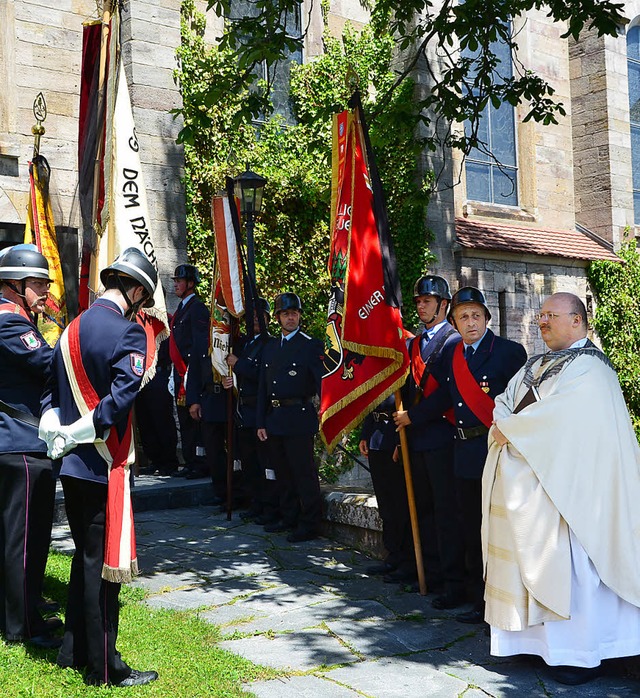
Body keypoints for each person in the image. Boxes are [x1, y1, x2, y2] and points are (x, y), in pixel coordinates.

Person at [483, 292, 640, 685]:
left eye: (552, 315)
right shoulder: (535, 362)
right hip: (533, 479)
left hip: (573, 492)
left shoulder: (592, 369)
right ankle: (536, 646)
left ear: (578, 320)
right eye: (540, 315)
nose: (543, 322)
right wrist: (506, 421)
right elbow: (505, 400)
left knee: (573, 570)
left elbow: (563, 420)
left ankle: (579, 654)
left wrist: (513, 430)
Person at [40, 247, 158, 687]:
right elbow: (120, 400)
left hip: (71, 466)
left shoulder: (69, 328)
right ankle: (105, 667)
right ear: (134, 290)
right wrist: (84, 430)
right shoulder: (128, 334)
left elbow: (48, 392)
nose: (142, 307)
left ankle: (73, 650)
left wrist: (57, 426)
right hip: (104, 465)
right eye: (143, 299)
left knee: (83, 559)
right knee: (103, 566)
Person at [392, 275, 466, 607]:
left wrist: (413, 418)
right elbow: (409, 392)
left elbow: (449, 394)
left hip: (442, 437)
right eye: (418, 301)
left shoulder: (453, 342)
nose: (421, 306)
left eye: (427, 301)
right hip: (416, 438)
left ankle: (454, 582)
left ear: (443, 304)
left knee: (446, 513)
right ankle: (430, 573)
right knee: (422, 511)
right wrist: (403, 433)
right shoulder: (414, 343)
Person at [0, 244, 60, 649]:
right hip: (19, 442)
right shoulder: (8, 322)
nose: (44, 292)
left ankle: (24, 610)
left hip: (22, 441)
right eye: (38, 283)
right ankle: (21, 626)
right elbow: (48, 364)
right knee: (22, 538)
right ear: (15, 285)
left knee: (28, 535)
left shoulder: (18, 316)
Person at [256, 292, 325, 542]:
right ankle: (289, 517)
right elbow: (263, 387)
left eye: (294, 313)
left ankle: (310, 523)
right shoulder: (271, 347)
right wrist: (261, 421)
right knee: (283, 473)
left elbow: (321, 384)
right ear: (277, 318)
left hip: (299, 417)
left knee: (303, 473)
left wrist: (327, 411)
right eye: (286, 314)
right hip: (275, 418)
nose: (291, 318)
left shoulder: (310, 345)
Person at [225, 298, 278, 523]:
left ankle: (270, 507)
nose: (256, 321)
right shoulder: (246, 344)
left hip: (260, 410)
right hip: (244, 410)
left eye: (260, 317)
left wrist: (238, 364)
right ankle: (255, 503)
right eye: (252, 317)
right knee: (249, 463)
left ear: (268, 319)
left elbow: (260, 374)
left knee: (265, 463)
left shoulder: (270, 344)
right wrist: (232, 379)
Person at [359, 394, 410, 577]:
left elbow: (409, 401)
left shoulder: (402, 367)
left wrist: (400, 441)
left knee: (401, 505)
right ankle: (393, 555)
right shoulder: (377, 368)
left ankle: (407, 560)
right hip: (377, 436)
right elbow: (370, 403)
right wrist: (365, 434)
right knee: (386, 505)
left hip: (396, 436)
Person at [169, 263, 209, 478]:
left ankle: (200, 462)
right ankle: (190, 461)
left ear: (191, 284)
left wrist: (192, 375)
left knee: (195, 418)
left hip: (191, 372)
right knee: (184, 419)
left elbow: (199, 346)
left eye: (179, 281)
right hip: (180, 372)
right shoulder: (182, 308)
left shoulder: (198, 309)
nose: (175, 284)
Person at [135, 332, 180, 476]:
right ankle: (154, 460)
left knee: (162, 420)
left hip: (159, 374)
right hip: (140, 377)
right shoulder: (135, 321)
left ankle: (169, 462)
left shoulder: (164, 321)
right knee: (145, 422)